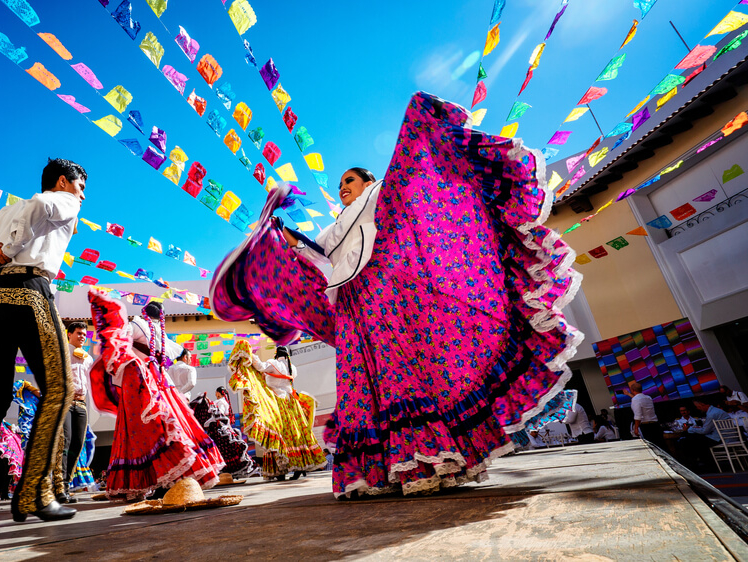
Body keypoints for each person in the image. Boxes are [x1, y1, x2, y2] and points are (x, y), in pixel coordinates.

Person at [211, 92, 582, 498]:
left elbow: (412, 199)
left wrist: (419, 130)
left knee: (408, 373)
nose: (342, 189)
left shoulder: (384, 194)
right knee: (366, 382)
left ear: (368, 181)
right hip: (354, 306)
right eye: (339, 186)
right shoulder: (338, 224)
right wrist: (281, 237)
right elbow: (315, 255)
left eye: (349, 181)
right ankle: (386, 468)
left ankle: (434, 457)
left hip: (390, 296)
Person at [0, 158, 86, 536]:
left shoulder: (7, 210)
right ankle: (35, 492)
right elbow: (43, 206)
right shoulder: (60, 200)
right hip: (28, 293)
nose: (83, 195)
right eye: (81, 186)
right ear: (64, 181)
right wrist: (9, 250)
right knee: (61, 389)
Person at [87, 291, 224, 500]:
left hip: (142, 384)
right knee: (169, 427)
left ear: (144, 312)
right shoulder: (162, 334)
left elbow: (118, 340)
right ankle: (169, 478)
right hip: (162, 383)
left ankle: (156, 480)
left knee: (143, 431)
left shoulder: (138, 325)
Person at [228, 342, 327, 482]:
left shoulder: (273, 364)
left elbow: (260, 366)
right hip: (292, 403)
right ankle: (300, 466)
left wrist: (249, 354)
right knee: (295, 434)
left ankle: (280, 470)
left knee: (277, 433)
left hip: (276, 402)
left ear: (276, 354)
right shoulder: (292, 368)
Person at [189, 391, 258, 479]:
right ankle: (230, 473)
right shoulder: (218, 403)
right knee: (228, 451)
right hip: (221, 429)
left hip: (220, 430)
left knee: (228, 451)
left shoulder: (220, 403)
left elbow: (217, 416)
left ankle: (231, 472)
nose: (215, 395)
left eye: (217, 393)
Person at [61, 322, 92, 504]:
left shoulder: (88, 358)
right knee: (66, 442)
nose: (82, 336)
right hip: (65, 403)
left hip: (81, 404)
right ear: (69, 334)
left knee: (78, 444)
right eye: (78, 333)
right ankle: (60, 486)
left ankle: (66, 484)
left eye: (84, 334)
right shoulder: (62, 352)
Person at [678, 396, 732, 471]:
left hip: (720, 438)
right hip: (724, 435)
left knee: (689, 441)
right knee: (693, 440)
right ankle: (703, 464)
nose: (698, 408)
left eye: (698, 406)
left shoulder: (712, 414)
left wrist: (689, 429)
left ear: (702, 404)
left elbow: (705, 431)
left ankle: (698, 466)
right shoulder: (715, 411)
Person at [624, 381, 663, 447]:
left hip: (646, 426)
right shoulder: (648, 398)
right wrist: (628, 394)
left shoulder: (635, 400)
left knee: (651, 446)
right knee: (659, 445)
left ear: (632, 390)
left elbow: (638, 415)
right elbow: (638, 398)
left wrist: (636, 428)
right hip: (655, 424)